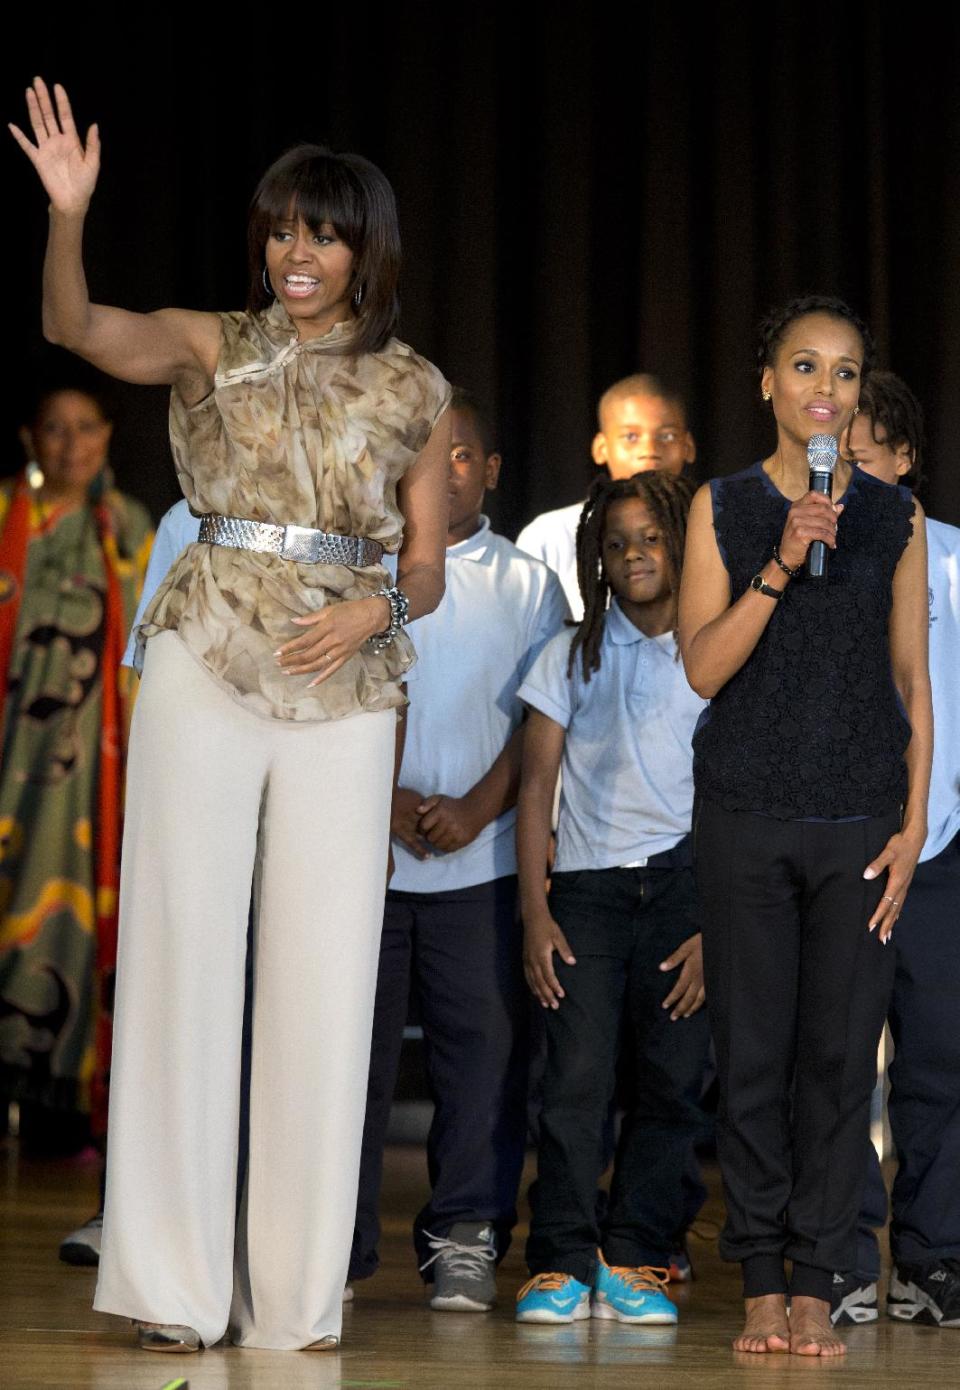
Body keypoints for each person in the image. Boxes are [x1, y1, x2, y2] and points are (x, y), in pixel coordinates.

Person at [11, 78, 451, 1353]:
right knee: (181, 957)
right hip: (207, 651)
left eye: (319, 233)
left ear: (365, 245)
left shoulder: (417, 389)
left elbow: (422, 562)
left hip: (346, 679)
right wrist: (66, 216)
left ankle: (294, 1298)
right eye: (279, 231)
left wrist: (381, 609)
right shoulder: (214, 340)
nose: (294, 255)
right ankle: (171, 1284)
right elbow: (75, 325)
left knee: (323, 980)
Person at [679, 297, 933, 1357]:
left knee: (838, 1063)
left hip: (862, 816)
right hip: (746, 814)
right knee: (752, 1054)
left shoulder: (896, 515)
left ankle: (822, 1279)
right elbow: (701, 665)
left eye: (844, 372)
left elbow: (915, 681)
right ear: (767, 384)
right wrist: (780, 560)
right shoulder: (723, 507)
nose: (825, 389)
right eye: (804, 367)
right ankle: (764, 1278)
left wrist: (915, 827)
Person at [348, 389, 568, 1312]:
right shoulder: (366, 573)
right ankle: (335, 1244)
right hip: (368, 856)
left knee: (481, 1059)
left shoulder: (529, 584)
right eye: (428, 463)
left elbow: (544, 715)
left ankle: (464, 1235)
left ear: (491, 470)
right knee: (350, 1058)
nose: (445, 474)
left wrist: (480, 806)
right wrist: (386, 799)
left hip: (478, 866)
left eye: (463, 458)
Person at [514, 470, 711, 1326]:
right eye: (618, 541)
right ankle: (560, 1258)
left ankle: (636, 1258)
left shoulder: (716, 649)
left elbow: (740, 797)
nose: (634, 554)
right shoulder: (570, 652)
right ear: (599, 555)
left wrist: (717, 927)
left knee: (671, 1084)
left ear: (683, 547)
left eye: (652, 538)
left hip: (686, 890)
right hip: (587, 893)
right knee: (576, 1080)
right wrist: (534, 910)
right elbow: (535, 788)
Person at [828, 370, 960, 1331]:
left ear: (906, 461)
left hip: (942, 844)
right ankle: (836, 1259)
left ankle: (932, 1258)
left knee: (939, 1061)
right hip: (834, 841)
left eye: (863, 458)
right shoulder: (809, 551)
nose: (844, 475)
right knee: (835, 1061)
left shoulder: (954, 560)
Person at [1, 381, 152, 1181]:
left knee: (72, 923)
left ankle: (59, 1100)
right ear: (31, 437)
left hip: (94, 778)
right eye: (53, 429)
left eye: (84, 428)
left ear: (107, 435)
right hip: (9, 763)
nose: (69, 444)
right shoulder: (3, 518)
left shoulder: (131, 529)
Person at [516, 374, 696, 618]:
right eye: (631, 437)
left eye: (666, 436)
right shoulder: (550, 535)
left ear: (688, 447)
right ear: (601, 448)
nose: (649, 451)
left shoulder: (709, 530)